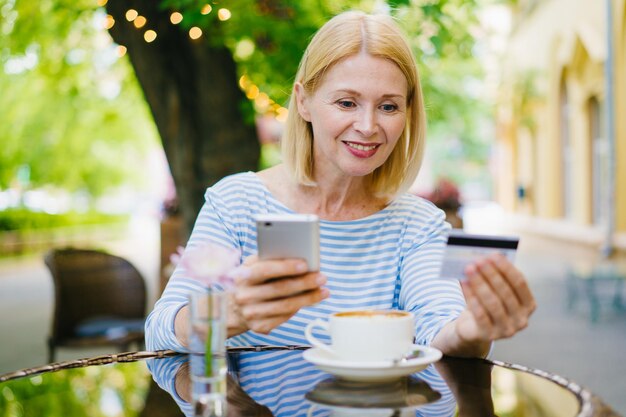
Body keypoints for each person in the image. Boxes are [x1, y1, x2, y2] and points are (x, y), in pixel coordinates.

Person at [146, 10, 536, 358]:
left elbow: (441, 329)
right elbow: (161, 331)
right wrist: (227, 312)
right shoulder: (237, 202)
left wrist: (472, 331)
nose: (368, 126)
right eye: (347, 102)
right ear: (303, 102)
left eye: (388, 106)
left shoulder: (417, 224)